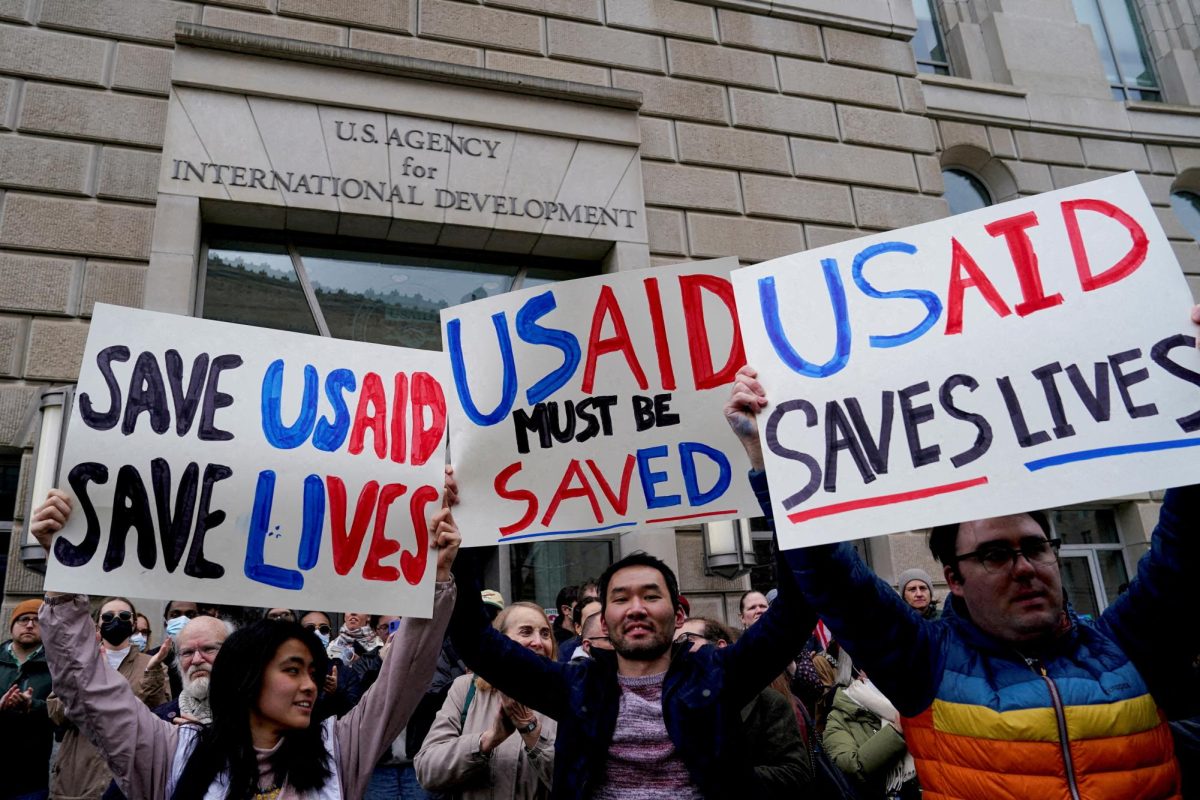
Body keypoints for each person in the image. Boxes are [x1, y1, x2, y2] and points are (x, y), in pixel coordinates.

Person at [724, 304, 1200, 800]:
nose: (1024, 568)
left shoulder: (1124, 649)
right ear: (953, 577)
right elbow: (829, 574)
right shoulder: (927, 662)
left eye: (1036, 548)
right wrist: (773, 460)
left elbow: (1186, 552)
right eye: (995, 555)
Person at [29, 483, 460, 800]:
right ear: (245, 678)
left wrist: (435, 579)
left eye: (312, 671)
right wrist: (65, 577)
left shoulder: (340, 747)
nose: (311, 685)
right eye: (292, 670)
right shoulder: (167, 750)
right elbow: (88, 687)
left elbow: (403, 678)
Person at [448, 459, 816, 799]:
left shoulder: (716, 677)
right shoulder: (575, 688)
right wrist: (464, 530)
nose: (636, 608)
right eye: (621, 598)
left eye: (651, 596)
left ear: (677, 616)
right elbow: (475, 641)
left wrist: (768, 475)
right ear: (603, 621)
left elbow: (794, 612)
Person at [415, 602, 559, 799]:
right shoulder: (466, 689)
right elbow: (427, 770)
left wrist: (531, 733)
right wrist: (487, 741)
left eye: (545, 633)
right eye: (526, 632)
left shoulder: (563, 697)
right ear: (500, 641)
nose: (538, 642)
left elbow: (581, 782)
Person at [47, 596, 172, 799]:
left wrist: (152, 674)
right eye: (108, 616)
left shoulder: (153, 665)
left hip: (130, 774)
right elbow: (56, 712)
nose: (116, 621)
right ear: (97, 624)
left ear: (133, 624)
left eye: (124, 616)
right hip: (80, 773)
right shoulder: (78, 661)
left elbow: (158, 716)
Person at [674, 617, 812, 799]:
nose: (677, 651)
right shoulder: (674, 703)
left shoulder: (768, 702)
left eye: (686, 640)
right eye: (674, 645)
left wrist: (729, 777)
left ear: (719, 646)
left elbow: (795, 772)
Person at [822, 652, 918, 800]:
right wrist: (895, 731)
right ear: (861, 674)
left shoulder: (910, 706)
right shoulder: (839, 717)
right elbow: (850, 766)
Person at [1, 599, 54, 800]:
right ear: (12, 625)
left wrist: (34, 706)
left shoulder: (56, 667)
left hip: (31, 779)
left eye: (37, 620)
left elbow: (65, 712)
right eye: (24, 619)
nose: (30, 625)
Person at [556, 596, 599, 663]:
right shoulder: (566, 652)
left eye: (603, 617)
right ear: (578, 627)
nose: (600, 623)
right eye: (591, 619)